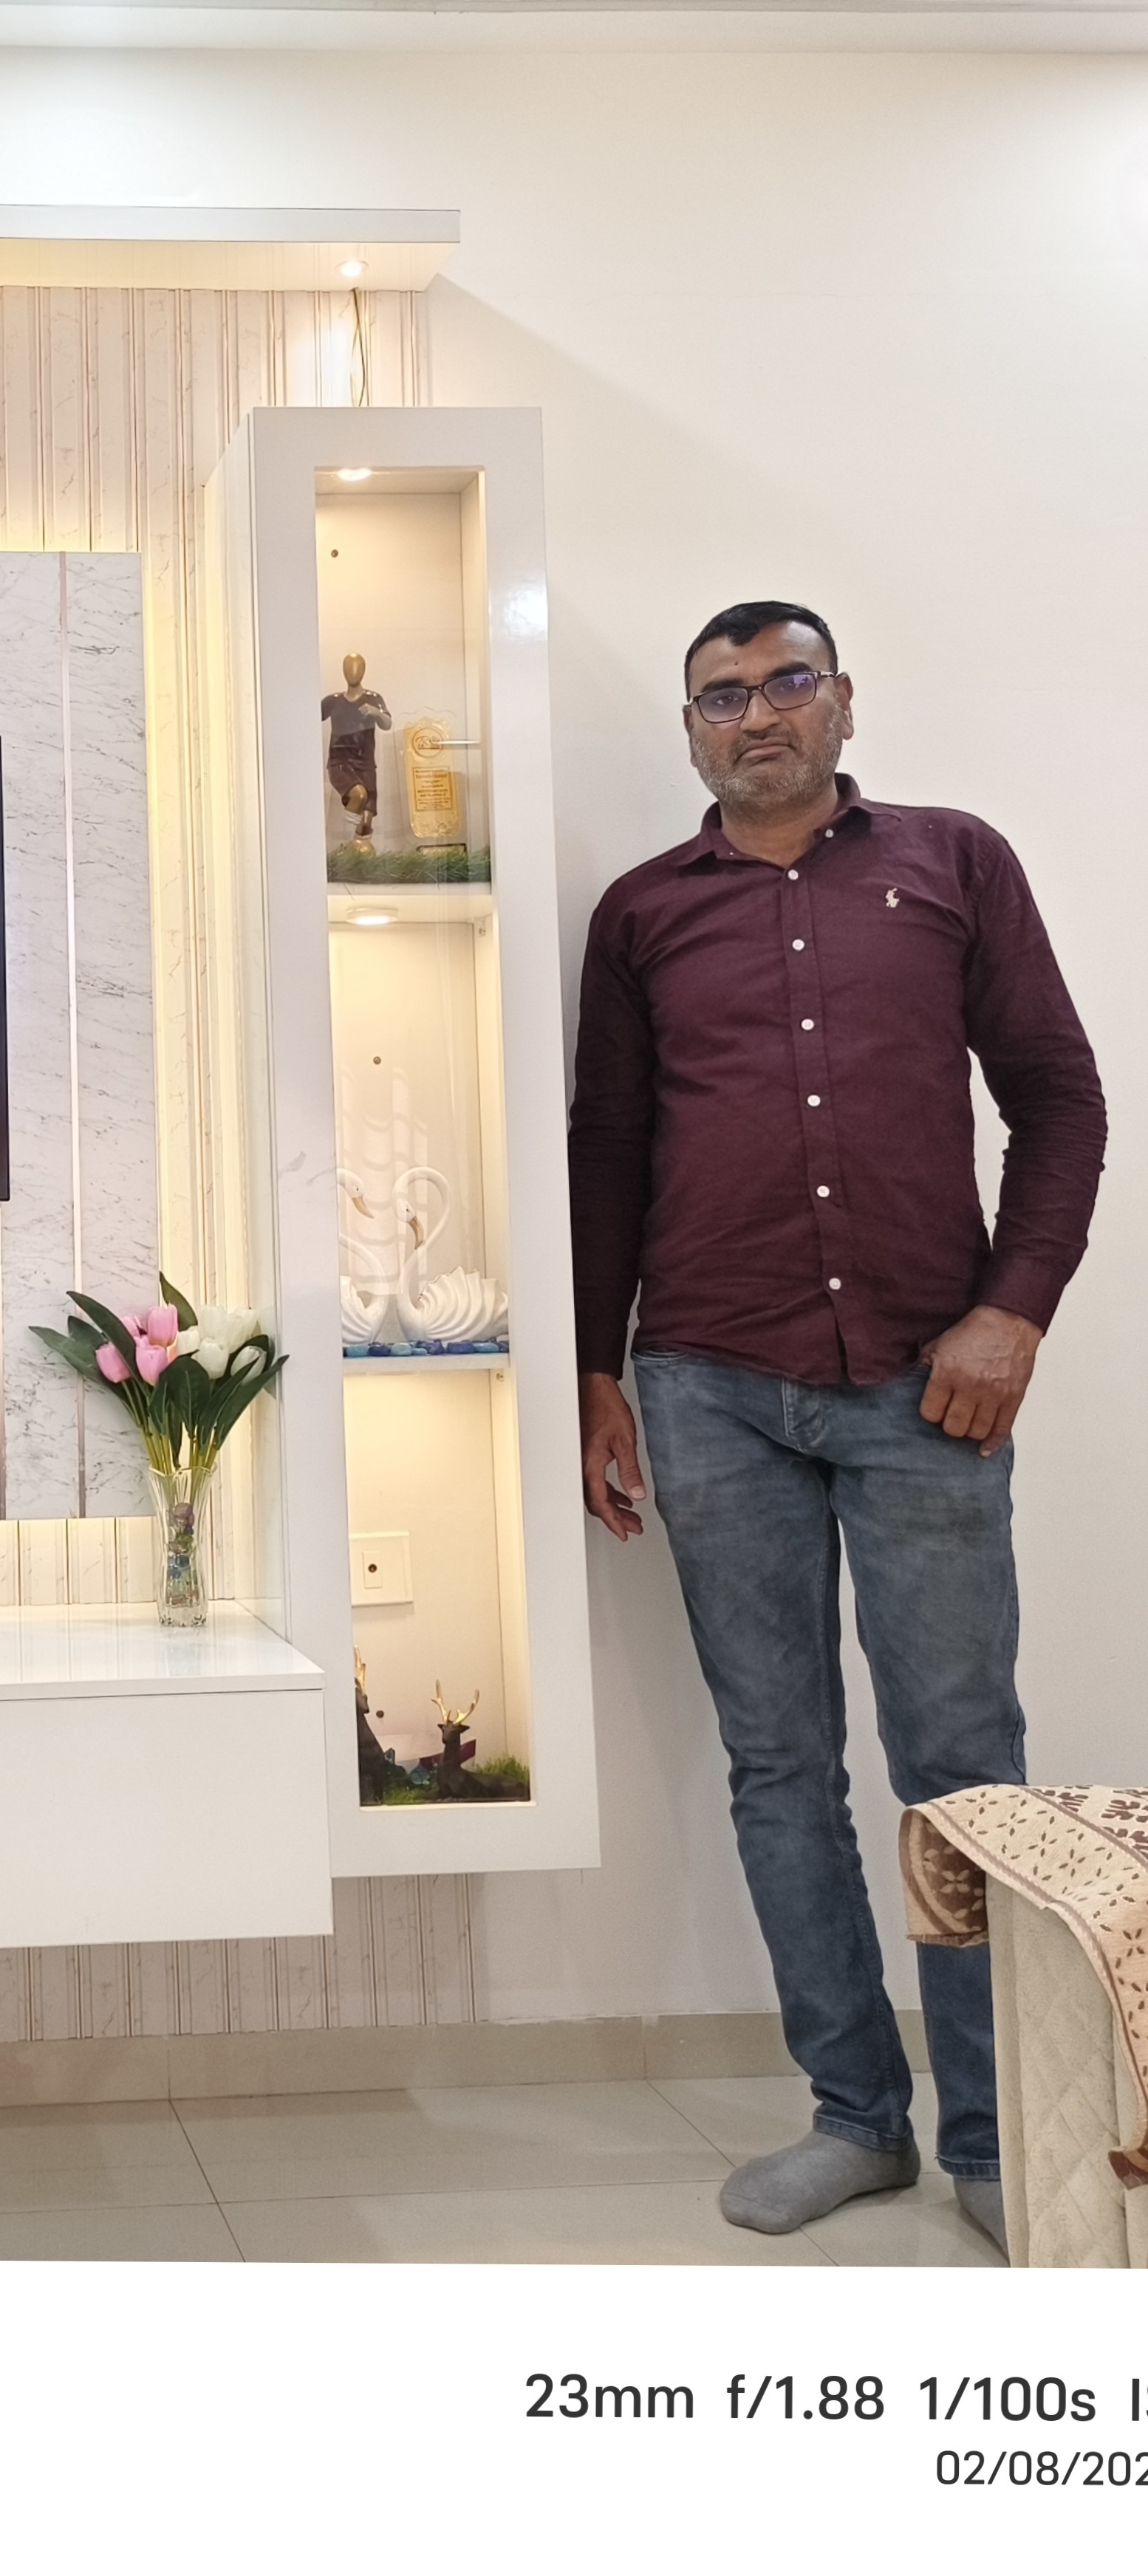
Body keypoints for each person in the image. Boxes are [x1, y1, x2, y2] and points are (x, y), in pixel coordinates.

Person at [567, 601, 1104, 2247]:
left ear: (843, 700)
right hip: (709, 1383)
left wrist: (1015, 1311)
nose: (756, 715)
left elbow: (1059, 1097)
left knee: (963, 1768)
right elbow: (609, 1144)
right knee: (779, 1762)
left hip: (926, 1385)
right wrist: (595, 1366)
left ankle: (999, 2140)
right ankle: (856, 2118)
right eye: (720, 697)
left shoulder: (955, 863)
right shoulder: (644, 912)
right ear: (691, 732)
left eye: (785, 681)